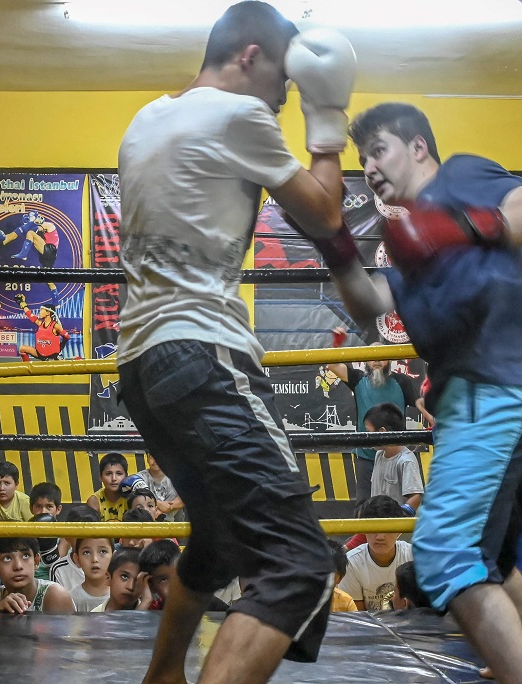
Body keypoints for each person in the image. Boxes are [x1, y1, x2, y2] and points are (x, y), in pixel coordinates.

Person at [117, 2, 356, 679]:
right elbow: (327, 215)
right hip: (202, 353)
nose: (283, 100)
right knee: (298, 564)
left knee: (218, 542)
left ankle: (162, 675)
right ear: (250, 57)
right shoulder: (239, 115)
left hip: (142, 365)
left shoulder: (146, 119)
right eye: (283, 83)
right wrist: (327, 123)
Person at [336, 101, 522, 684]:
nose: (368, 166)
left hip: (499, 389)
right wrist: (335, 246)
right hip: (469, 403)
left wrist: (463, 227)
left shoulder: (462, 176)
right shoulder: (402, 239)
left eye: (378, 149)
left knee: (442, 553)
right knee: (489, 557)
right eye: (362, 158)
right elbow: (370, 304)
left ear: (418, 148)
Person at [326, 339, 428, 504]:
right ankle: (362, 531)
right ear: (365, 360)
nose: (377, 360)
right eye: (372, 356)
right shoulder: (358, 379)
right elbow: (332, 365)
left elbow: (420, 404)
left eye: (381, 356)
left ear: (389, 359)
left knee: (395, 505)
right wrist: (336, 344)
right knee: (364, 505)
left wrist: (435, 420)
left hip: (395, 457)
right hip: (366, 457)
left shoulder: (402, 382)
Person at [337, 495, 413, 611]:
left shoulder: (413, 556)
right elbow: (357, 617)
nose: (380, 537)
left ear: (399, 529)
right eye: (374, 529)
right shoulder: (351, 563)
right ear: (364, 530)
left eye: (387, 529)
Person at [0, 538, 75, 614]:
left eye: (25, 556)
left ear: (36, 561)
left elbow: (63, 636)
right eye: (7, 558)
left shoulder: (55, 595)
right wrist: (1, 616)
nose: (18, 566)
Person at [364, 403, 424, 511]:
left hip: (396, 525)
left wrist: (401, 516)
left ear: (382, 432)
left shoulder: (406, 461)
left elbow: (416, 496)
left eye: (369, 432)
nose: (366, 436)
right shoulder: (379, 455)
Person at [10, 210, 62, 307]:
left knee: (30, 233)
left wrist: (30, 223)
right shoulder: (42, 230)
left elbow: (34, 229)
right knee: (48, 279)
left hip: (50, 250)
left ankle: (23, 254)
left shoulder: (49, 225)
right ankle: (56, 303)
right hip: (48, 255)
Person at [48, 504, 99, 592]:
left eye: (88, 534)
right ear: (68, 538)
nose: (84, 541)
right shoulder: (58, 568)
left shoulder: (107, 563)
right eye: (79, 535)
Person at [14, 294, 71, 362]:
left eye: (41, 310)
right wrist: (23, 305)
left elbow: (67, 337)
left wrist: (61, 346)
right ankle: (27, 368)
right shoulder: (40, 323)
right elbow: (30, 315)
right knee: (22, 349)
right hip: (40, 353)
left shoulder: (55, 326)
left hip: (52, 357)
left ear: (48, 313)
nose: (39, 312)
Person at [135, 454, 185, 521]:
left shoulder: (177, 478)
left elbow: (191, 493)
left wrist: (169, 507)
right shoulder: (139, 477)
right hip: (145, 526)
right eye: (152, 456)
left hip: (174, 528)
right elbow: (127, 488)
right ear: (147, 458)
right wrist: (157, 503)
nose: (156, 460)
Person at [69, 537, 113, 611]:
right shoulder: (70, 600)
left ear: (114, 557)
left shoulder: (122, 598)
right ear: (77, 559)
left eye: (103, 551)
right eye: (86, 552)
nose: (94, 559)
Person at [86, 453, 129, 522]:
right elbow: (92, 531)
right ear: (100, 477)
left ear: (126, 476)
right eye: (108, 474)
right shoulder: (94, 501)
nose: (114, 478)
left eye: (119, 473)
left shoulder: (131, 498)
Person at [328, 540, 357, 613]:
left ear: (340, 577)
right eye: (317, 573)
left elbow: (354, 623)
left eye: (329, 576)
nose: (321, 580)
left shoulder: (346, 602)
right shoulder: (298, 600)